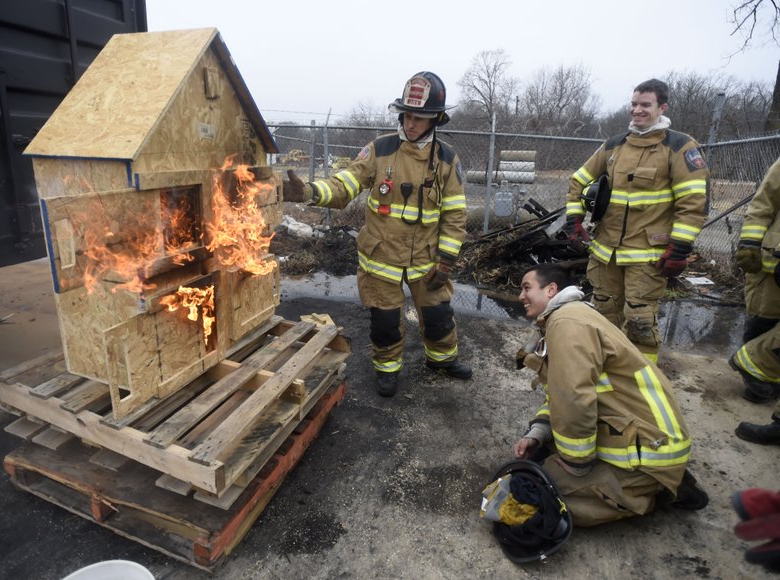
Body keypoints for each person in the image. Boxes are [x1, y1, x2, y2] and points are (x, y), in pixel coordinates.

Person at [282, 71, 471, 397]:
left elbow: (455, 213)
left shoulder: (446, 161)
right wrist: (309, 192)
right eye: (407, 116)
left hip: (426, 259)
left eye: (420, 118)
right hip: (380, 256)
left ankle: (442, 360)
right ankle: (388, 371)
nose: (411, 124)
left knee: (438, 315)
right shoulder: (380, 151)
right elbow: (344, 185)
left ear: (435, 120)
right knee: (385, 322)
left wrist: (447, 260)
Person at [513, 263, 708, 527]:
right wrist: (539, 433)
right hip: (640, 432)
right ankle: (656, 479)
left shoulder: (566, 324)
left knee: (537, 494)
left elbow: (574, 399)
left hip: (650, 449)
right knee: (537, 463)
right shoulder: (570, 316)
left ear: (551, 289)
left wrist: (575, 463)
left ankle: (655, 490)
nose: (520, 296)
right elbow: (560, 396)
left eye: (527, 288)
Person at [565, 78, 709, 363]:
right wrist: (574, 220)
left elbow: (693, 204)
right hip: (606, 253)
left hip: (647, 257)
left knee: (640, 320)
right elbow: (578, 180)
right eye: (634, 104)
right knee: (603, 312)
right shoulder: (615, 145)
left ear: (662, 107)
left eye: (645, 105)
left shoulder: (679, 147)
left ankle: (641, 380)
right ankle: (605, 369)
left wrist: (679, 249)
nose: (637, 110)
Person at [731, 157, 780, 444]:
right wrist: (750, 244)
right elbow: (762, 205)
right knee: (762, 320)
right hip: (772, 266)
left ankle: (759, 375)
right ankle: (759, 381)